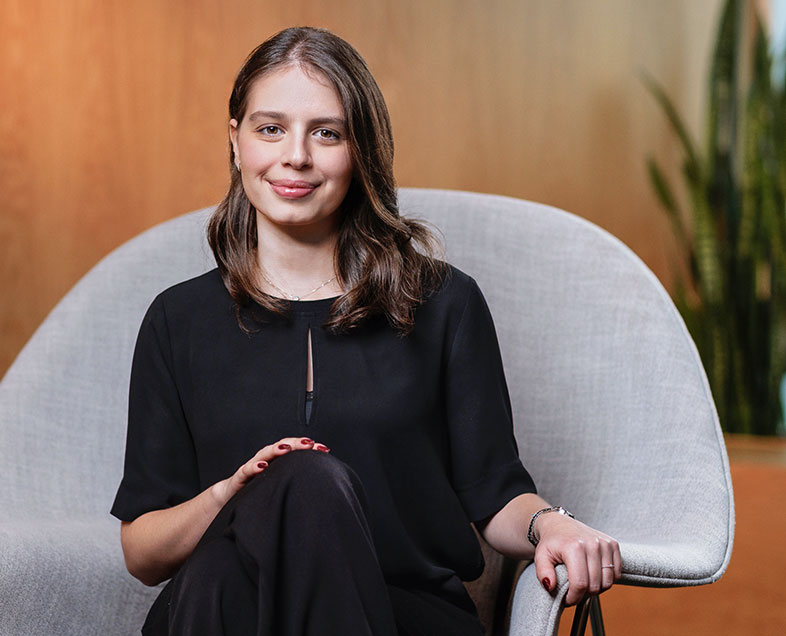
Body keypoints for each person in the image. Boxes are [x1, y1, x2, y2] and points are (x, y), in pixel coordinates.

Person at [111, 26, 621, 636]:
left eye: (326, 133)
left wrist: (551, 525)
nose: (295, 155)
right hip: (228, 608)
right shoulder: (177, 320)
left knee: (294, 491)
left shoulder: (441, 303)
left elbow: (495, 496)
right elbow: (143, 552)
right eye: (270, 128)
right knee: (224, 569)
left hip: (398, 614)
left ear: (361, 150)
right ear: (236, 140)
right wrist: (231, 492)